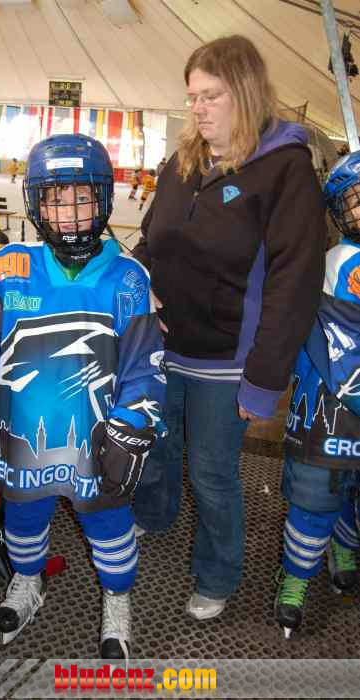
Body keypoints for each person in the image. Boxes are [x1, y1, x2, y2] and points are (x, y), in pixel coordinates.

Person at [0, 134, 165, 660]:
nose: (69, 213)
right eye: (56, 198)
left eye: (82, 197)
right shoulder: (8, 269)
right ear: (36, 203)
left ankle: (117, 597)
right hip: (23, 435)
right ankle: (28, 579)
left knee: (109, 526)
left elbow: (144, 366)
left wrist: (133, 425)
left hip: (96, 440)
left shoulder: (128, 279)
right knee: (24, 520)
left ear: (103, 200)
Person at [131, 35, 327, 621]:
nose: (198, 108)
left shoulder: (285, 169)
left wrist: (264, 380)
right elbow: (151, 240)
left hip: (228, 361)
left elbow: (295, 283)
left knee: (212, 472)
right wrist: (140, 281)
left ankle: (218, 574)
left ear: (244, 92)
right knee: (156, 445)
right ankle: (154, 515)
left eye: (211, 96)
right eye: (192, 96)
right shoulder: (181, 164)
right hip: (165, 347)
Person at [276, 151, 360, 638]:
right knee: (316, 498)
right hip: (328, 410)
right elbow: (336, 350)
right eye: (357, 200)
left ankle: (343, 549)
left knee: (350, 490)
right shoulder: (336, 264)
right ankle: (295, 579)